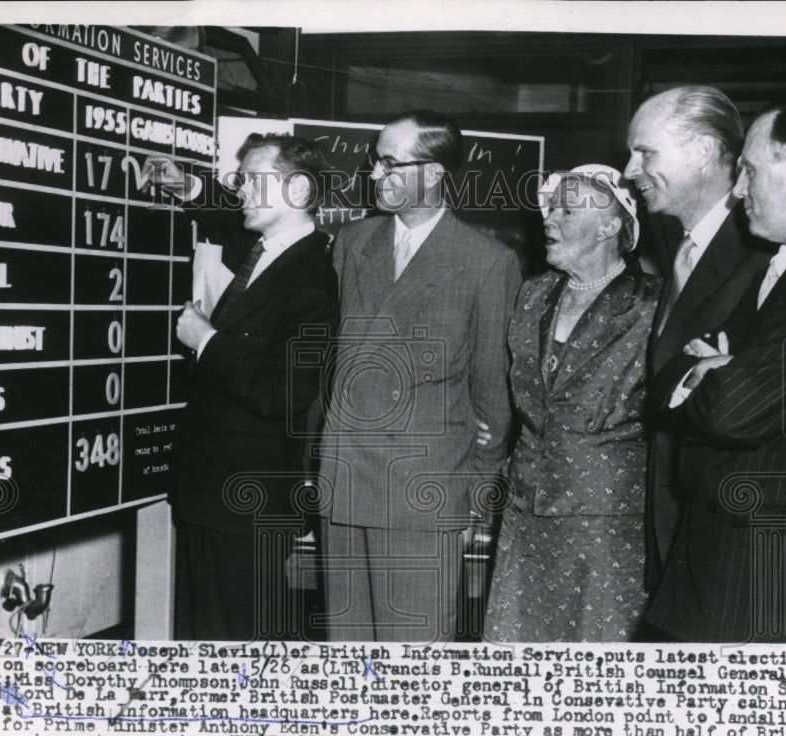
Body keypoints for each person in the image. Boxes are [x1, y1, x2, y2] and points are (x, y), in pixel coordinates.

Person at [642, 97, 786, 643]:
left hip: (770, 578)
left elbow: (736, 410)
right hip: (729, 568)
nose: (737, 190)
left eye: (749, 170)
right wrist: (710, 370)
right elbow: (666, 381)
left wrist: (717, 372)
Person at [318, 110, 522, 642]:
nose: (375, 174)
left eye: (390, 163)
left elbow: (492, 395)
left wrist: (473, 495)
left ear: (433, 173)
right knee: (346, 656)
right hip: (342, 482)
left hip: (422, 494)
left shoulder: (486, 262)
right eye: (375, 161)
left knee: (414, 657)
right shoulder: (351, 243)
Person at [169, 133, 340, 640]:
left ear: (300, 191)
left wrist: (206, 340)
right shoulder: (265, 249)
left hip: (247, 503)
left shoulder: (312, 274)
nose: (241, 190)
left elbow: (286, 390)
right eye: (239, 180)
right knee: (206, 638)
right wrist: (185, 184)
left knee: (237, 643)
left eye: (254, 180)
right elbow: (223, 210)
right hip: (213, 495)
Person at [481, 165, 660, 642]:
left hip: (605, 518)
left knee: (594, 659)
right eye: (550, 207)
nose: (549, 219)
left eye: (565, 208)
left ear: (610, 225)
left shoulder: (652, 305)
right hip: (525, 508)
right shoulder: (533, 293)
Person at [623, 86, 775, 595]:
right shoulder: (681, 250)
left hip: (728, 541)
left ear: (705, 153)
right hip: (676, 529)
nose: (629, 170)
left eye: (645, 152)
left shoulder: (763, 254)